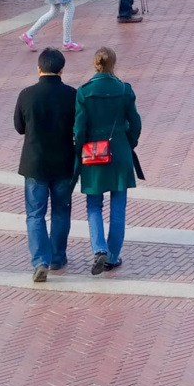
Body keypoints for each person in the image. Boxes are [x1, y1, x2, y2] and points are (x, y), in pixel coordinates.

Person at [14, 45, 80, 282]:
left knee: (35, 214)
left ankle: (40, 260)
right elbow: (79, 127)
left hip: (34, 162)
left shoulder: (26, 94)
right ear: (61, 69)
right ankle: (57, 256)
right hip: (63, 161)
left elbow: (19, 127)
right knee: (61, 211)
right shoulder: (72, 95)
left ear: (39, 68)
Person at [74, 46, 140, 274]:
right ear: (114, 64)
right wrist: (128, 142)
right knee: (118, 205)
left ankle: (99, 248)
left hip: (93, 154)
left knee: (94, 204)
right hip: (120, 151)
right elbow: (136, 123)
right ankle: (112, 256)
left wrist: (79, 148)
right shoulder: (124, 89)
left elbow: (79, 128)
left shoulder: (84, 92)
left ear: (95, 64)